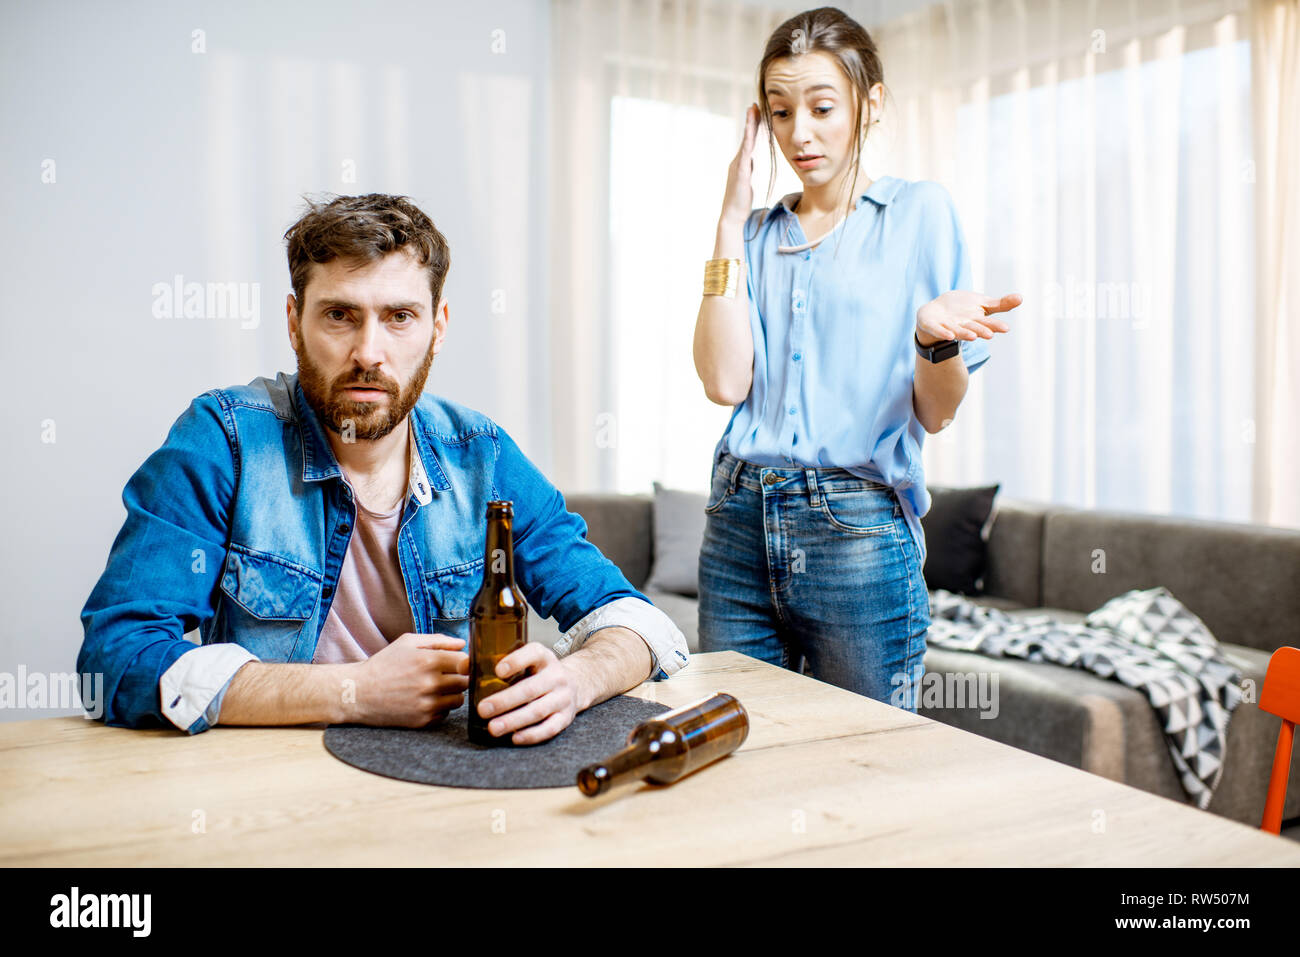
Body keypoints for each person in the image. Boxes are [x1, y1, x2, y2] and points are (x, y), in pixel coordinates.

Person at [79, 193, 689, 742]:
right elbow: (113, 661)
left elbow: (635, 620)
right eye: (340, 315)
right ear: (294, 323)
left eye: (399, 316)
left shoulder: (484, 454)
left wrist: (575, 681)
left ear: (437, 327)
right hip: (267, 795)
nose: (368, 353)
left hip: (443, 779)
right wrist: (357, 691)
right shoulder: (223, 440)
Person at [692, 6, 1021, 711]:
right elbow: (724, 381)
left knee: (867, 761)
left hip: (857, 531)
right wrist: (727, 219)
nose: (798, 134)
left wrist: (933, 338)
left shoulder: (919, 214)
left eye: (820, 107)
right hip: (737, 517)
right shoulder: (753, 234)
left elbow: (936, 410)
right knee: (729, 757)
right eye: (780, 113)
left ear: (869, 104)